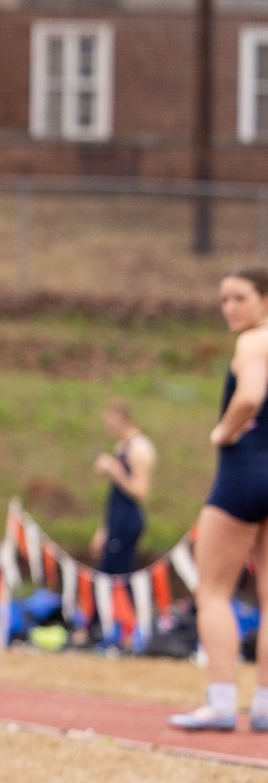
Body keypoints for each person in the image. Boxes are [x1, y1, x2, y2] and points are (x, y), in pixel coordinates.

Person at [171, 270, 268, 732]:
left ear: (265, 299)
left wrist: (223, 431)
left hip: (245, 472)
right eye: (224, 298)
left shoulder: (253, 343)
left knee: (212, 591)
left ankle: (222, 701)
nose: (230, 308)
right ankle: (266, 705)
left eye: (240, 298)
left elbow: (250, 396)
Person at [89, 399, 155, 577]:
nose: (107, 428)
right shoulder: (121, 446)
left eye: (109, 424)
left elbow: (141, 492)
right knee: (107, 575)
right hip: (117, 520)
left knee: (115, 579)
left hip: (128, 520)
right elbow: (115, 495)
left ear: (120, 420)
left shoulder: (139, 448)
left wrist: (114, 471)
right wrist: (105, 529)